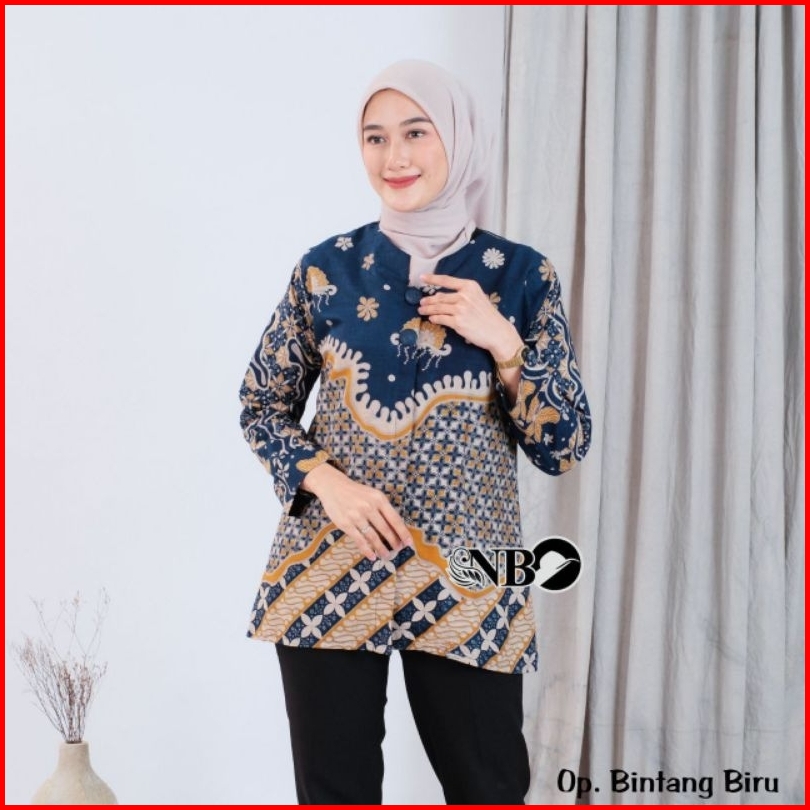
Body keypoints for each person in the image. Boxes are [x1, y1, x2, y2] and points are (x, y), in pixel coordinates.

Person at [239, 59, 591, 805]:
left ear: (456, 139)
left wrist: (505, 345)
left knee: (490, 787)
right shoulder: (326, 271)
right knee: (335, 794)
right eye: (375, 137)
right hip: (328, 569)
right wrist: (327, 484)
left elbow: (563, 446)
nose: (394, 156)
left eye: (416, 132)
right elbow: (261, 403)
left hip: (473, 572)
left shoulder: (520, 276)